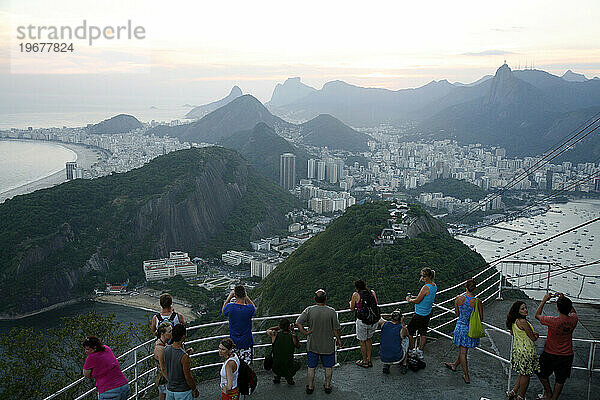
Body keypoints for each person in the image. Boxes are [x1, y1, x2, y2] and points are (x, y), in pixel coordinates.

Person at [296, 289, 342, 395]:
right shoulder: (331, 311)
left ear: (314, 299)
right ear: (326, 299)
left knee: (311, 367)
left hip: (313, 344)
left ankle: (310, 387)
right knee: (328, 367)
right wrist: (339, 339)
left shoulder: (309, 310)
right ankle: (327, 386)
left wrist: (305, 332)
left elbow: (298, 322)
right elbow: (336, 329)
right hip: (327, 345)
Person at [535, 293, 578, 400]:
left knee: (540, 372)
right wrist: (563, 298)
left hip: (551, 353)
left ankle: (548, 393)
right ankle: (554, 398)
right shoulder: (573, 319)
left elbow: (537, 315)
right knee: (560, 378)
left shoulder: (552, 321)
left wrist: (544, 300)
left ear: (557, 308)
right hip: (567, 355)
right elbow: (573, 312)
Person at [444, 278, 483, 384]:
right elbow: (481, 318)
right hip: (470, 328)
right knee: (463, 351)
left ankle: (455, 365)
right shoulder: (477, 302)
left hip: (460, 327)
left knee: (463, 350)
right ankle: (466, 376)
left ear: (465, 286)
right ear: (474, 288)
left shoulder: (458, 298)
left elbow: (457, 314)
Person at [506, 301, 540, 400]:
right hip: (526, 351)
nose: (526, 310)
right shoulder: (523, 322)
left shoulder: (514, 321)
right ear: (518, 311)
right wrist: (536, 335)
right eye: (523, 308)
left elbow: (514, 333)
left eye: (525, 308)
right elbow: (533, 338)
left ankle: (514, 391)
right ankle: (521, 396)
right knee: (526, 375)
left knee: (522, 373)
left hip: (518, 350)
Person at [405, 267, 437, 360]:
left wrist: (409, 299)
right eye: (422, 275)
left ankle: (410, 351)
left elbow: (418, 300)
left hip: (419, 314)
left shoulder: (425, 287)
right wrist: (415, 297)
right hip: (427, 313)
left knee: (409, 332)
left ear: (428, 277)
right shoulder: (434, 285)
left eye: (424, 276)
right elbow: (424, 297)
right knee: (423, 333)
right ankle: (420, 351)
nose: (422, 277)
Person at [163, 324, 199, 400]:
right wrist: (194, 389)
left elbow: (173, 361)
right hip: (183, 392)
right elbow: (188, 377)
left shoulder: (166, 349)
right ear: (183, 336)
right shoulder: (184, 356)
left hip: (170, 390)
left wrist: (185, 353)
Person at [222, 285, 257, 364]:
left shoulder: (230, 307)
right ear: (244, 294)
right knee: (246, 366)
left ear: (235, 295)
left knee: (235, 366)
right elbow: (254, 308)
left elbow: (223, 311)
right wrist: (247, 297)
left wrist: (229, 297)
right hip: (247, 342)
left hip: (234, 343)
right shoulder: (249, 309)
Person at [349, 279, 379, 368]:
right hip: (373, 320)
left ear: (356, 287)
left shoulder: (356, 294)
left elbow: (352, 308)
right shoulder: (372, 293)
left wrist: (351, 303)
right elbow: (376, 304)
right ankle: (369, 360)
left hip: (362, 321)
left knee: (362, 341)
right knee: (369, 340)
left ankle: (365, 361)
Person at [266, 318, 301, 385]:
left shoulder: (275, 335)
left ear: (280, 326)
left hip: (275, 367)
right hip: (289, 367)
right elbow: (298, 346)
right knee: (298, 362)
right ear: (289, 326)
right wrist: (293, 331)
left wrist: (277, 327)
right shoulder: (292, 336)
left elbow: (268, 330)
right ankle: (289, 377)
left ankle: (277, 376)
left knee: (279, 360)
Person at [378, 309, 409, 374]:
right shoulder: (401, 328)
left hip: (383, 358)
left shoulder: (384, 324)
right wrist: (402, 322)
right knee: (406, 339)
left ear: (391, 319)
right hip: (397, 358)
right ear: (400, 319)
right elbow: (407, 334)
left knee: (389, 340)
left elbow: (379, 316)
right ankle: (404, 364)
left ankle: (386, 365)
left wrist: (391, 314)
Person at [154, 322, 172, 400]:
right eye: (169, 331)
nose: (172, 333)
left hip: (163, 378)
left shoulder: (163, 344)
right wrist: (171, 381)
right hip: (164, 379)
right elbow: (163, 368)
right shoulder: (160, 348)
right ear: (162, 333)